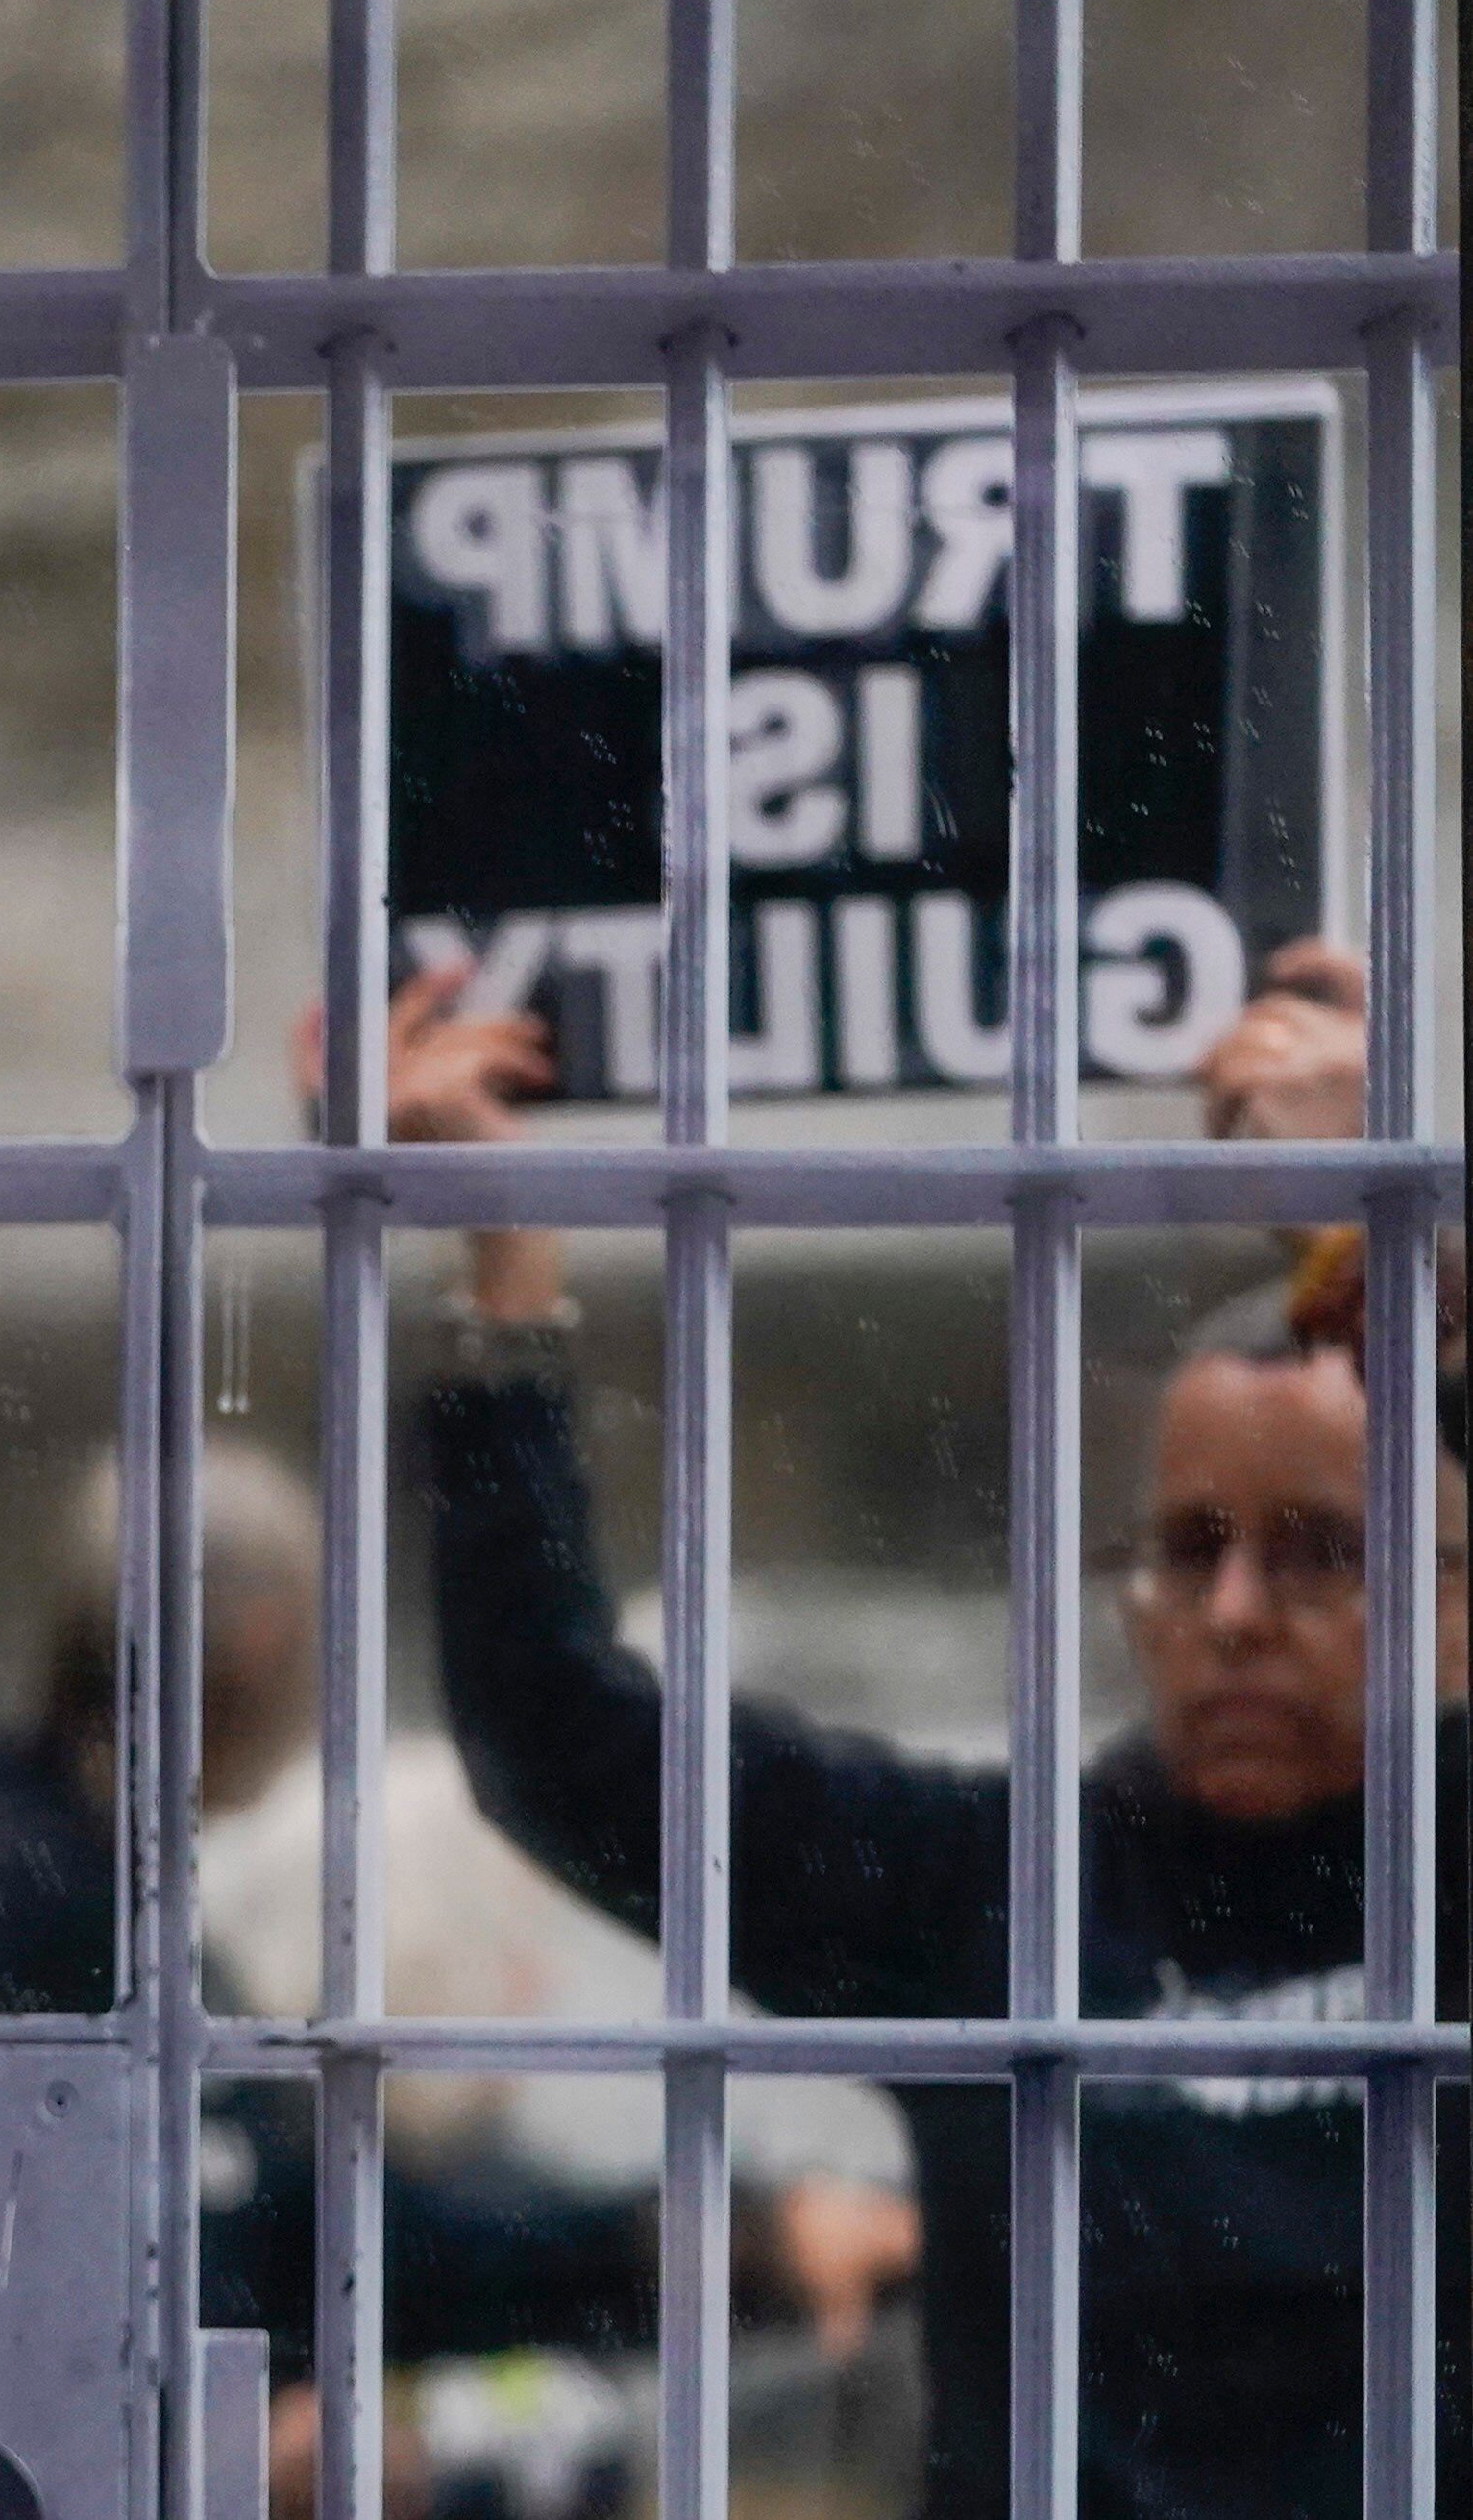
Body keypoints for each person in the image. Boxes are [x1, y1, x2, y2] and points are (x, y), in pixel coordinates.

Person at [386, 951, 1469, 2520]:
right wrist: (505, 1271)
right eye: (1186, 1546)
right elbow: (558, 1735)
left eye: (1319, 1549)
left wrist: (1403, 1253)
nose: (1232, 1611)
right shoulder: (1000, 1892)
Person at [0, 1442, 916, 2519]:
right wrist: (193, 2445)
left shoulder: (49, 1889)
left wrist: (727, 2241)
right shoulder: (11, 1896)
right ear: (265, 1642)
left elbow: (337, 2231)